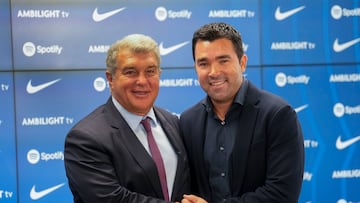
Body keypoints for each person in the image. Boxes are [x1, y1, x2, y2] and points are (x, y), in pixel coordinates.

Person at [179, 22, 304, 203]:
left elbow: (282, 194)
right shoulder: (188, 121)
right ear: (196, 68)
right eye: (204, 63)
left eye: (223, 60)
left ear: (242, 63)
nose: (214, 72)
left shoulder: (278, 115)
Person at [64, 34, 190, 203]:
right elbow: (108, 199)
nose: (142, 81)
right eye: (130, 72)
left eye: (150, 71)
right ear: (110, 78)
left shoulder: (172, 121)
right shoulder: (85, 138)